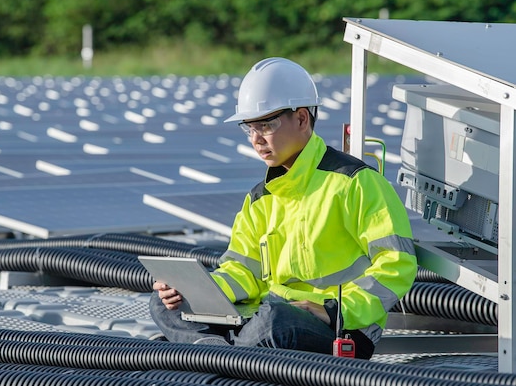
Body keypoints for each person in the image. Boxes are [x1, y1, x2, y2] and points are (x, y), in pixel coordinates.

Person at [149, 57, 417, 359]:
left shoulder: (356, 183)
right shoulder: (259, 199)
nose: (256, 139)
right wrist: (202, 290)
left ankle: (213, 355)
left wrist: (333, 310)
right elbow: (242, 270)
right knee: (163, 304)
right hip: (265, 317)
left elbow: (397, 265)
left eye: (266, 125)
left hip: (338, 327)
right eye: (249, 128)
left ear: (302, 119)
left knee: (274, 322)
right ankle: (221, 354)